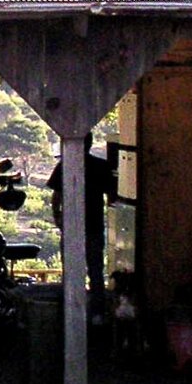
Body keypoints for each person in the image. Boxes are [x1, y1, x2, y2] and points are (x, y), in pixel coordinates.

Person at [47, 133, 116, 323]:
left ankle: (69, 314)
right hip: (93, 226)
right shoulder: (101, 166)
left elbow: (56, 196)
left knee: (71, 272)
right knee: (95, 271)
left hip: (71, 227)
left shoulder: (65, 165)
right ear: (90, 143)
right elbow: (112, 195)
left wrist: (58, 217)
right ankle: (97, 314)